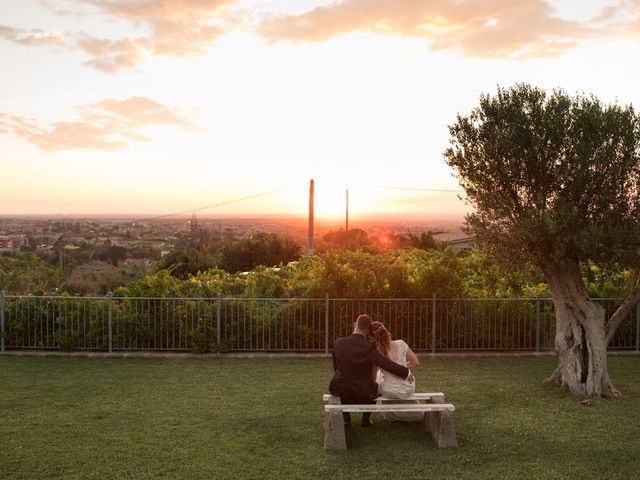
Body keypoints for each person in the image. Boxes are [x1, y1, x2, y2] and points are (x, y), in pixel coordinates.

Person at [329, 314, 414, 427]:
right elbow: (385, 363)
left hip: (339, 388)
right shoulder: (369, 347)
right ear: (368, 330)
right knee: (375, 386)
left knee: (345, 384)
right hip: (363, 392)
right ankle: (365, 419)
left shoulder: (338, 343)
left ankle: (346, 420)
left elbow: (336, 367)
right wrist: (406, 372)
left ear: (355, 325)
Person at [369, 320, 424, 422]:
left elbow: (372, 378)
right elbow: (415, 362)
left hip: (389, 390)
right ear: (386, 331)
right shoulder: (401, 343)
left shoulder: (376, 352)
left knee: (378, 375)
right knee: (380, 374)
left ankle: (389, 415)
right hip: (407, 388)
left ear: (373, 337)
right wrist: (402, 366)